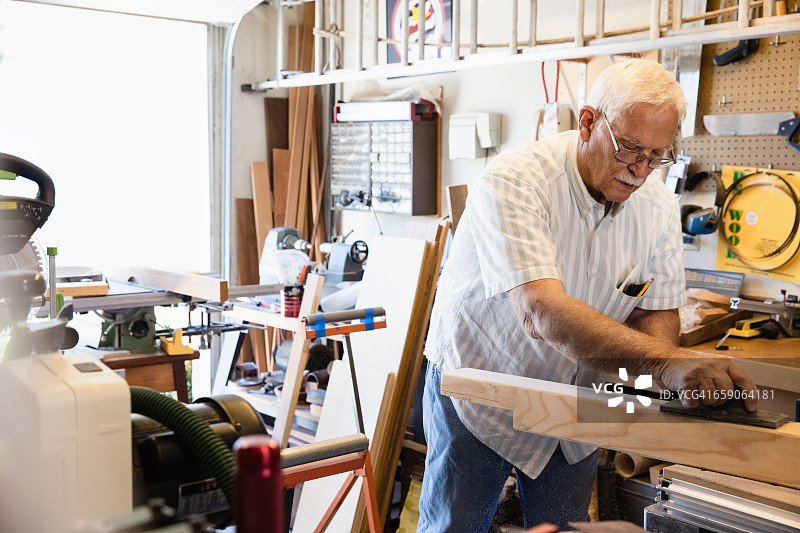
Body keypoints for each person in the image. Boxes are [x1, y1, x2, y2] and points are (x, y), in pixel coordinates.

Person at [417, 58, 757, 532]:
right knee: (456, 526)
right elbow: (542, 312)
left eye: (657, 155)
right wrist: (663, 366)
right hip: (483, 387)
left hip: (576, 401)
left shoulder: (656, 205)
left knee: (567, 528)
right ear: (588, 122)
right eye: (630, 150)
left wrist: (663, 374)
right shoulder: (516, 180)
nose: (640, 170)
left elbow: (654, 310)